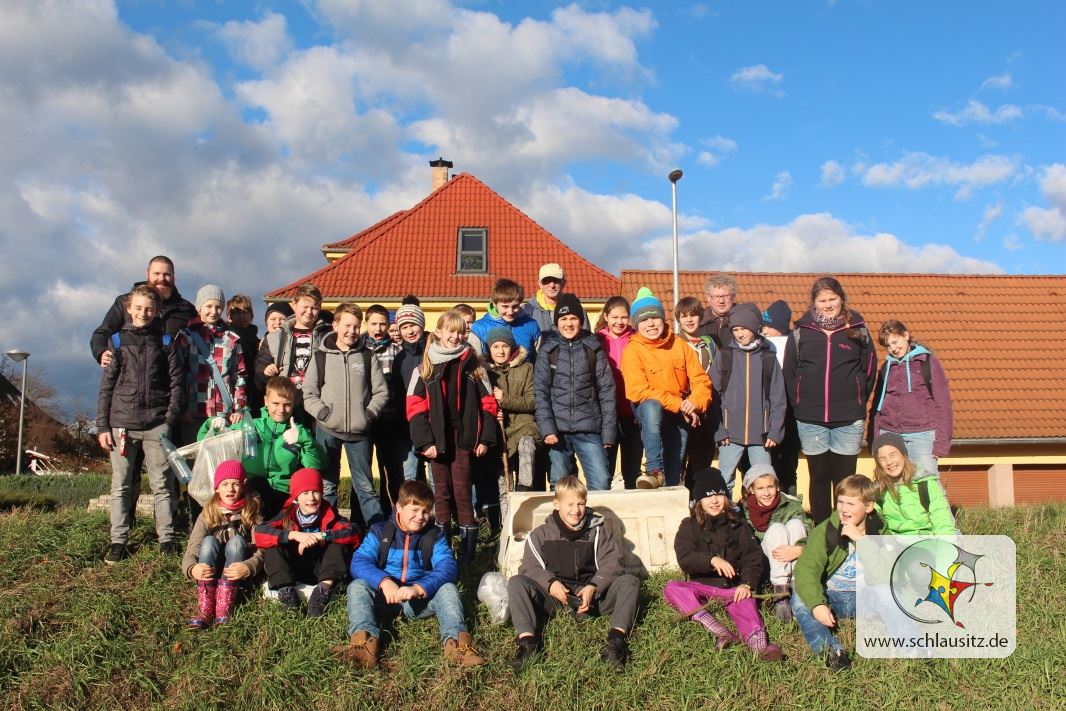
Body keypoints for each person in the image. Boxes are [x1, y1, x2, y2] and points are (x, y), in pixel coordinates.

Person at [333, 480, 486, 669]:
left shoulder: (434, 536)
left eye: (425, 512)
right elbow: (359, 561)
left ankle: (457, 646)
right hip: (384, 598)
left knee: (448, 589)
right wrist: (384, 581)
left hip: (417, 601)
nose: (420, 517)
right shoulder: (380, 531)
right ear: (399, 507)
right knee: (357, 586)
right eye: (415, 510)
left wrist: (419, 588)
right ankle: (363, 644)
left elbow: (447, 567)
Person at [506, 475, 641, 671]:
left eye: (581, 503)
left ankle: (616, 643)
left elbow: (613, 564)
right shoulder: (539, 535)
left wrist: (594, 587)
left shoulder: (598, 532)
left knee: (630, 582)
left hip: (592, 600)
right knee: (516, 583)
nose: (576, 510)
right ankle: (528, 644)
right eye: (570, 504)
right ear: (556, 504)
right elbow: (529, 567)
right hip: (555, 601)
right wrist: (551, 584)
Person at [96, 284, 183, 563]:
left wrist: (169, 419)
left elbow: (176, 383)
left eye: (149, 309)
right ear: (129, 309)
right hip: (122, 424)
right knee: (121, 485)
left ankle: (167, 539)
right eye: (138, 308)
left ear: (157, 311)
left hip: (157, 424)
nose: (143, 313)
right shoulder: (117, 341)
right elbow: (106, 386)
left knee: (162, 484)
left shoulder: (166, 341)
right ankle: (118, 540)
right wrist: (102, 426)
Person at [406, 310, 498, 565]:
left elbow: (489, 404)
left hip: (463, 440)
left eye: (461, 332)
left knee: (463, 492)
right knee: (441, 495)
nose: (456, 337)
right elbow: (414, 406)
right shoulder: (425, 367)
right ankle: (443, 552)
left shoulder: (474, 366)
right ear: (439, 332)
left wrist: (484, 439)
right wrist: (425, 442)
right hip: (437, 441)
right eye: (451, 332)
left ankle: (468, 557)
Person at [665, 466, 784, 661]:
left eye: (719, 495)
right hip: (703, 586)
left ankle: (761, 647)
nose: (714, 501)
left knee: (746, 604)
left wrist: (747, 584)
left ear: (726, 497)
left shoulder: (738, 524)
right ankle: (721, 632)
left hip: (733, 588)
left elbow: (753, 557)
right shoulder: (689, 525)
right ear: (699, 500)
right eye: (708, 496)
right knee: (672, 588)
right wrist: (711, 559)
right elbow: (685, 557)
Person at [783, 277, 876, 524]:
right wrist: (800, 404)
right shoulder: (800, 332)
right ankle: (823, 531)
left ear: (842, 299)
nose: (827, 305)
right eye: (822, 300)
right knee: (819, 477)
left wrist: (858, 399)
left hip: (848, 418)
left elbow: (869, 371)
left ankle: (844, 531)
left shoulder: (858, 330)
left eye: (832, 299)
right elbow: (790, 373)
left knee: (845, 482)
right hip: (811, 419)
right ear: (814, 303)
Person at [303, 303, 389, 519]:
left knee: (366, 489)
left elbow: (381, 392)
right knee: (327, 486)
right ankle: (328, 532)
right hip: (327, 430)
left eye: (356, 326)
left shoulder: (368, 356)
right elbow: (309, 393)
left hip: (360, 432)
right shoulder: (321, 356)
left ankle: (375, 533)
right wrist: (324, 414)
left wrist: (368, 414)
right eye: (347, 326)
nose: (352, 331)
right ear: (335, 325)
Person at [620, 288, 712, 489]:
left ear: (663, 318)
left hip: (679, 413)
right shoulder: (632, 350)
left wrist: (694, 402)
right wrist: (679, 404)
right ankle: (653, 469)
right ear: (636, 324)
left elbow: (701, 380)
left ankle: (670, 488)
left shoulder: (679, 345)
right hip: (650, 412)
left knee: (674, 471)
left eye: (654, 317)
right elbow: (637, 391)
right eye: (644, 320)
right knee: (652, 406)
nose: (650, 324)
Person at [791, 474, 883, 671]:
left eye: (851, 504)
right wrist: (817, 604)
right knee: (800, 596)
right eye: (840, 502)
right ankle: (831, 651)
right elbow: (807, 567)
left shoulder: (880, 530)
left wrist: (862, 541)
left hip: (865, 598)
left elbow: (884, 574)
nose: (844, 509)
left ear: (868, 507)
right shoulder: (827, 529)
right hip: (833, 597)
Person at [202, 376, 325, 518]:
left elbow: (315, 467)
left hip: (283, 496)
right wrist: (212, 424)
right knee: (257, 483)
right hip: (250, 496)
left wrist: (305, 439)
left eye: (287, 404)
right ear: (266, 401)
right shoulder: (250, 426)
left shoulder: (298, 432)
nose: (281, 410)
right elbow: (206, 442)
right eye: (275, 403)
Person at [253, 467, 361, 617]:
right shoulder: (286, 515)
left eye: (315, 492)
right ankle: (287, 594)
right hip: (294, 569)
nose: (311, 498)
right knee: (274, 543)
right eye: (305, 493)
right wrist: (293, 535)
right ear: (296, 496)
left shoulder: (330, 514)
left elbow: (353, 531)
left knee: (338, 545)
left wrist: (322, 536)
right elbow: (260, 532)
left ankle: (321, 593)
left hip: (322, 571)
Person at [534, 294, 616, 491]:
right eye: (563, 319)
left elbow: (607, 391)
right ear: (557, 322)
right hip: (557, 431)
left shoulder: (594, 348)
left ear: (581, 320)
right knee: (560, 485)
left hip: (589, 428)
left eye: (573, 318)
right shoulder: (548, 350)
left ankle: (595, 514)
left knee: (601, 482)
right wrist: (548, 429)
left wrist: (608, 432)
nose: (568, 324)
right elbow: (540, 392)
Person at [710, 302, 786, 497]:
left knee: (763, 483)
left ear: (754, 328)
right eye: (735, 329)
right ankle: (725, 515)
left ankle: (759, 516)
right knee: (724, 482)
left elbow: (778, 398)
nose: (739, 334)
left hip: (761, 435)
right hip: (729, 435)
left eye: (743, 329)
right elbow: (712, 397)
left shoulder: (768, 357)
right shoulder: (724, 356)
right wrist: (719, 430)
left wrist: (775, 431)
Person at [182, 460, 263, 629]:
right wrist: (192, 568)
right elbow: (192, 548)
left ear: (243, 486)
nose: (230, 489)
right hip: (212, 569)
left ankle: (224, 607)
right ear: (217, 488)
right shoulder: (208, 512)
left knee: (237, 542)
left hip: (238, 571)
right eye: (225, 484)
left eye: (235, 484)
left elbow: (262, 549)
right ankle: (205, 607)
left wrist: (249, 566)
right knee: (208, 541)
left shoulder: (252, 510)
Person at [869, 320, 953, 482]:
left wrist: (942, 442)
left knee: (926, 482)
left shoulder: (928, 363)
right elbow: (877, 406)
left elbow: (943, 404)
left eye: (895, 342)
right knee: (893, 484)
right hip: (890, 433)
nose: (893, 348)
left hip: (922, 435)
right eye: (888, 346)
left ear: (906, 335)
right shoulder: (887, 368)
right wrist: (875, 439)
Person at [90, 255, 195, 368]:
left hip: (174, 374)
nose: (162, 278)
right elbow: (102, 333)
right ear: (148, 274)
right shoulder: (125, 302)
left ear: (174, 277)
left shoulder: (186, 309)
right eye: (157, 273)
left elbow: (202, 338)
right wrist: (101, 352)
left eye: (167, 274)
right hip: (131, 375)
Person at [174, 285, 248, 443]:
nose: (214, 311)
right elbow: (178, 375)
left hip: (224, 413)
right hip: (193, 414)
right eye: (209, 306)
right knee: (194, 456)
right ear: (199, 307)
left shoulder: (231, 339)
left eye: (218, 307)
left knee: (221, 456)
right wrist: (181, 409)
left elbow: (239, 376)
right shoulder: (186, 337)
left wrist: (239, 408)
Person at [740, 462, 810, 622]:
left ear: (777, 486)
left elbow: (809, 532)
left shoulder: (790, 504)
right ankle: (781, 594)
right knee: (777, 528)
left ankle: (797, 586)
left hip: (793, 560)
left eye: (770, 487)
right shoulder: (743, 511)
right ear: (751, 490)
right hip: (764, 562)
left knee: (795, 524)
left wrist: (800, 549)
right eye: (760, 488)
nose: (766, 493)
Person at [255, 283, 331, 419]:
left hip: (317, 402)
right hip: (285, 404)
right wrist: (265, 371)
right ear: (294, 304)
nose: (309, 312)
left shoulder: (328, 337)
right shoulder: (274, 338)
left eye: (314, 308)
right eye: (305, 307)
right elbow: (259, 369)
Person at [483, 327, 540, 501]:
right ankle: (507, 514)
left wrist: (504, 399)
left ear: (512, 348)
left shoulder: (526, 368)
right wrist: (493, 411)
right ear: (489, 349)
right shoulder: (484, 372)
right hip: (499, 431)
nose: (500, 351)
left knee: (527, 446)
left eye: (505, 346)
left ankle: (524, 493)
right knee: (505, 486)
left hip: (524, 425)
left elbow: (532, 401)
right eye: (495, 346)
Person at [361, 304, 407, 514]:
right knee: (362, 472)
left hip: (389, 420)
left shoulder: (396, 350)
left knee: (391, 472)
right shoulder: (358, 349)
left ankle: (392, 515)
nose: (378, 328)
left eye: (382, 324)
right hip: (363, 420)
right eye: (374, 323)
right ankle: (361, 519)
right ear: (366, 323)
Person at [595, 296, 643, 489]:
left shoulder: (637, 339)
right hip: (608, 414)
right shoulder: (597, 341)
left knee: (632, 471)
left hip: (633, 413)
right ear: (606, 316)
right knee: (605, 469)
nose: (619, 322)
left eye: (624, 317)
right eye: (615, 317)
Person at [870, 433, 956, 535]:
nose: (889, 462)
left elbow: (942, 522)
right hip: (893, 541)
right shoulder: (879, 490)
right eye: (882, 459)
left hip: (924, 540)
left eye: (893, 455)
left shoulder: (925, 484)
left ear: (904, 455)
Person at [675, 296, 719, 485]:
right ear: (678, 320)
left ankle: (697, 497)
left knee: (702, 462)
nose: (689, 320)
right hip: (682, 410)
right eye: (684, 316)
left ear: (700, 317)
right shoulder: (675, 343)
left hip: (706, 410)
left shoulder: (710, 344)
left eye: (693, 315)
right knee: (678, 460)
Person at [760, 300, 800, 496]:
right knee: (767, 465)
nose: (764, 330)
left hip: (791, 417)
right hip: (768, 417)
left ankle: (791, 501)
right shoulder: (762, 347)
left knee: (789, 465)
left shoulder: (795, 346)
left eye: (768, 326)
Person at [394, 301, 429, 482]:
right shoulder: (399, 358)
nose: (409, 331)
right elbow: (397, 393)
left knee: (436, 479)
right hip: (406, 427)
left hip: (432, 425)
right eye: (404, 327)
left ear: (421, 324)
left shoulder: (433, 352)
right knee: (408, 476)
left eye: (413, 325)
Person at [471, 278, 541, 360]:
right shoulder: (479, 328)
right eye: (505, 306)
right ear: (495, 304)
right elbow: (474, 362)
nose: (510, 312)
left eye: (515, 306)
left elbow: (539, 360)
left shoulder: (531, 325)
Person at [522, 263, 591, 333]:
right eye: (547, 281)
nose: (552, 285)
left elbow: (586, 338)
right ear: (540, 284)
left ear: (563, 283)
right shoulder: (526, 311)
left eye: (556, 281)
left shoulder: (577, 310)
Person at [228, 294, 263, 415]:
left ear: (251, 315)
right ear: (229, 316)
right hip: (235, 395)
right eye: (236, 312)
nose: (241, 316)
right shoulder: (228, 339)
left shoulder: (258, 342)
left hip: (256, 394)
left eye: (245, 312)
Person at [697, 273, 737, 349]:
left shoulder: (744, 322)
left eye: (726, 296)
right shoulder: (697, 323)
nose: (721, 301)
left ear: (733, 296)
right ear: (708, 297)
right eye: (716, 296)